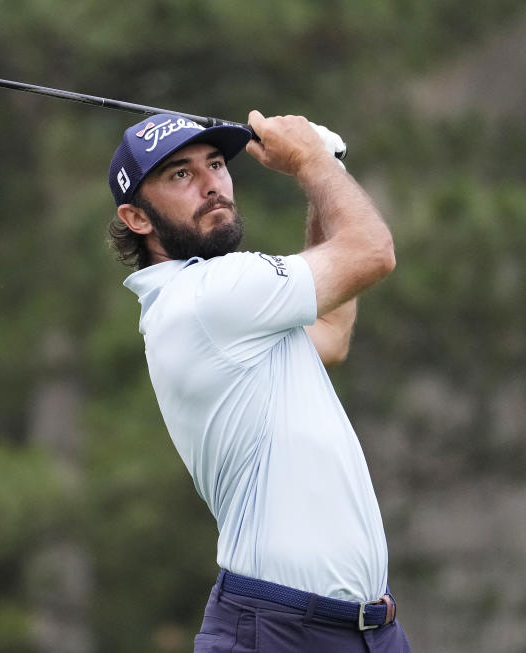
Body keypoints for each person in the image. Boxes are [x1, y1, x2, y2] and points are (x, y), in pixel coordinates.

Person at [107, 112, 412, 652]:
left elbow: (330, 333)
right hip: (279, 631)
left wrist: (324, 168)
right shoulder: (208, 294)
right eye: (180, 175)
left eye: (217, 165)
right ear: (137, 217)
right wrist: (312, 163)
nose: (211, 185)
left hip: (367, 630)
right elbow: (372, 251)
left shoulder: (217, 305)